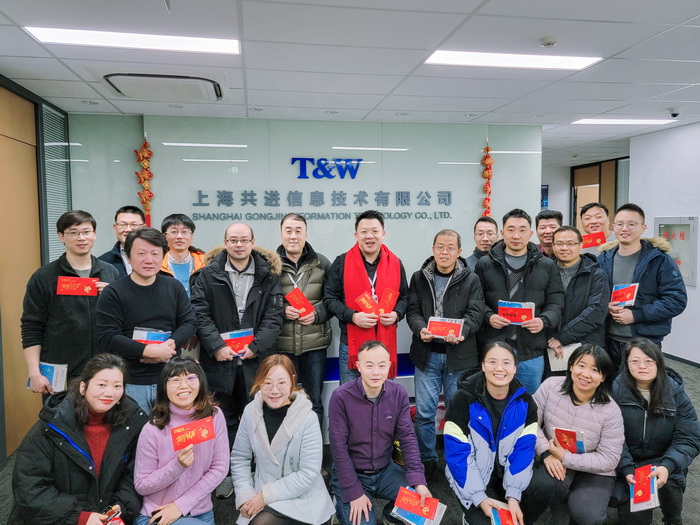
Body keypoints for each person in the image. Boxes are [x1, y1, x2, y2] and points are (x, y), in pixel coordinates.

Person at [191, 222, 283, 498]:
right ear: (225, 242)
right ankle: (228, 474)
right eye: (233, 240)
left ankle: (260, 472)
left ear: (253, 242)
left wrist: (257, 346)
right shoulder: (206, 275)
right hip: (220, 361)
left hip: (257, 362)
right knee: (224, 420)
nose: (239, 245)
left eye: (244, 240)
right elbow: (199, 314)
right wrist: (217, 346)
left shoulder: (268, 276)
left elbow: (274, 316)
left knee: (259, 419)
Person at [10, 353, 148, 525]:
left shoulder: (132, 425)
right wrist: (80, 517)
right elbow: (29, 488)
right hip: (59, 519)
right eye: (102, 384)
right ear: (83, 387)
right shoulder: (51, 427)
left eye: (117, 386)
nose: (109, 393)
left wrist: (118, 509)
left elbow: (135, 476)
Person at [445, 342, 553, 525]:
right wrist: (479, 497)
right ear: (483, 365)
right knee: (482, 521)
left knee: (544, 486)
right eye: (492, 362)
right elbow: (458, 455)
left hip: (508, 473)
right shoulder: (462, 400)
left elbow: (523, 451)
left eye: (506, 363)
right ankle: (469, 516)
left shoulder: (526, 402)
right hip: (475, 476)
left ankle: (520, 520)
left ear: (515, 368)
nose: (499, 368)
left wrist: (514, 496)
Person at [406, 228, 485, 477]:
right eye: (440, 247)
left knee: (456, 412)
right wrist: (420, 329)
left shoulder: (471, 279)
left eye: (450, 248)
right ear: (433, 249)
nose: (444, 252)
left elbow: (476, 314)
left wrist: (461, 331)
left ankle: (455, 460)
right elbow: (413, 310)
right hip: (427, 354)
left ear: (459, 252)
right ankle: (427, 461)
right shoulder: (419, 277)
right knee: (424, 413)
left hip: (459, 356)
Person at [329, 340, 431, 525]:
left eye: (382, 365)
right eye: (369, 365)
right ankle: (341, 503)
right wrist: (354, 493)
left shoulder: (398, 393)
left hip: (385, 471)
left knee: (423, 509)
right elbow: (338, 449)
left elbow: (408, 438)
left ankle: (390, 516)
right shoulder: (341, 397)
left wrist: (419, 481)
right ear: (358, 366)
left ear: (389, 366)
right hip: (353, 473)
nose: (376, 372)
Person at [96, 227, 197, 413]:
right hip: (130, 381)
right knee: (134, 430)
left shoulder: (173, 287)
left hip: (171, 378)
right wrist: (147, 351)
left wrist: (167, 347)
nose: (149, 260)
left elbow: (189, 322)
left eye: (155, 254)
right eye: (141, 253)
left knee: (172, 429)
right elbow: (107, 336)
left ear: (163, 255)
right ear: (128, 257)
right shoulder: (114, 292)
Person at [22, 210, 119, 393]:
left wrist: (113, 297)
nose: (81, 238)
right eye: (73, 233)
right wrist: (34, 372)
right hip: (60, 372)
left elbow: (122, 321)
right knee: (61, 412)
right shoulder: (44, 277)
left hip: (105, 369)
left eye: (86, 232)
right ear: (61, 237)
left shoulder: (110, 272)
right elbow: (31, 326)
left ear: (94, 234)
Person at [231, 354, 335, 525]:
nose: (274, 390)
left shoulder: (308, 417)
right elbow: (239, 458)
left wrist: (265, 496)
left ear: (292, 381)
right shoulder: (250, 412)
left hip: (304, 498)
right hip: (262, 495)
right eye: (267, 383)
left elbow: (308, 474)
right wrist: (246, 496)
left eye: (281, 383)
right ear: (259, 382)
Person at [611, 338, 700, 525]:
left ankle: (672, 517)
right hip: (630, 464)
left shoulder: (676, 393)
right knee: (635, 519)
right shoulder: (616, 391)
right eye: (635, 361)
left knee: (671, 494)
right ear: (626, 364)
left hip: (663, 460)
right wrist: (627, 468)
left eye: (649, 361)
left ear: (659, 363)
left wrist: (667, 465)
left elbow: (689, 437)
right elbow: (612, 437)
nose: (642, 366)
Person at [476, 208, 564, 394]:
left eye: (522, 230)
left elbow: (556, 303)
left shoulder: (547, 265)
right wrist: (489, 316)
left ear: (531, 234)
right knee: (492, 399)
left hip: (531, 349)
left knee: (528, 400)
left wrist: (543, 321)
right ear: (502, 232)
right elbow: (476, 301)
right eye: (511, 229)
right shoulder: (485, 263)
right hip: (495, 345)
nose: (516, 235)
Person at [534, 344, 624, 525]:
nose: (585, 374)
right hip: (555, 457)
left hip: (595, 469)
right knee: (541, 485)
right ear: (571, 366)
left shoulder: (611, 411)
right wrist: (545, 452)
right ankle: (559, 510)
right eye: (581, 365)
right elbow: (529, 423)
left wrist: (566, 457)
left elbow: (609, 459)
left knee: (587, 514)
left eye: (594, 370)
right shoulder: (550, 386)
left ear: (603, 377)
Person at [134, 357, 229, 525]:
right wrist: (177, 466)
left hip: (200, 511)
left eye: (190, 378)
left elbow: (220, 467)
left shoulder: (214, 416)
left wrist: (181, 505)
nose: (184, 385)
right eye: (175, 380)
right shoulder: (153, 428)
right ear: (164, 387)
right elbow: (142, 485)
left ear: (200, 382)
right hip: (157, 512)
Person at [598, 203, 687, 369]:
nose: (625, 228)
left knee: (642, 384)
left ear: (643, 228)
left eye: (631, 224)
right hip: (608, 340)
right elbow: (596, 294)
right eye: (620, 224)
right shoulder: (603, 259)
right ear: (613, 227)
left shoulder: (659, 260)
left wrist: (636, 315)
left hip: (645, 341)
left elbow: (676, 300)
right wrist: (605, 307)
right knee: (611, 384)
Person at [324, 210, 409, 384]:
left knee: (385, 394)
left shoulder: (395, 263)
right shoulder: (342, 262)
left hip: (385, 344)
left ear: (383, 234)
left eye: (375, 231)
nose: (369, 236)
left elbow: (405, 297)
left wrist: (397, 314)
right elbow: (329, 299)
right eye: (364, 232)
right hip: (352, 344)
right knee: (351, 393)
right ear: (356, 235)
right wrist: (353, 316)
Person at [276, 213, 332, 427]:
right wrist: (282, 310)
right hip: (281, 346)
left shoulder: (322, 263)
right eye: (288, 231)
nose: (293, 236)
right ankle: (284, 446)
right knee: (281, 400)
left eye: (298, 231)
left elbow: (333, 299)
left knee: (313, 401)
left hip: (314, 345)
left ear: (306, 234)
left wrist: (316, 313)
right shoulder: (270, 265)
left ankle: (314, 447)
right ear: (281, 234)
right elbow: (263, 302)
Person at [547, 226, 609, 367]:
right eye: (559, 244)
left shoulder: (596, 274)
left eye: (570, 243)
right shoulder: (545, 271)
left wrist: (561, 338)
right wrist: (550, 338)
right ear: (553, 246)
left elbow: (596, 311)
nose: (564, 248)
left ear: (581, 245)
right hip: (551, 346)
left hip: (586, 345)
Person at [160, 213, 206, 297]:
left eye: (184, 232)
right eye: (174, 232)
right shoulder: (157, 264)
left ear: (192, 235)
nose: (179, 236)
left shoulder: (206, 264)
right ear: (164, 236)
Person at [99, 205, 146, 277]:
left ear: (144, 228)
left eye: (134, 225)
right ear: (115, 228)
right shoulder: (103, 262)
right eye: (122, 224)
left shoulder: (157, 257)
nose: (128, 229)